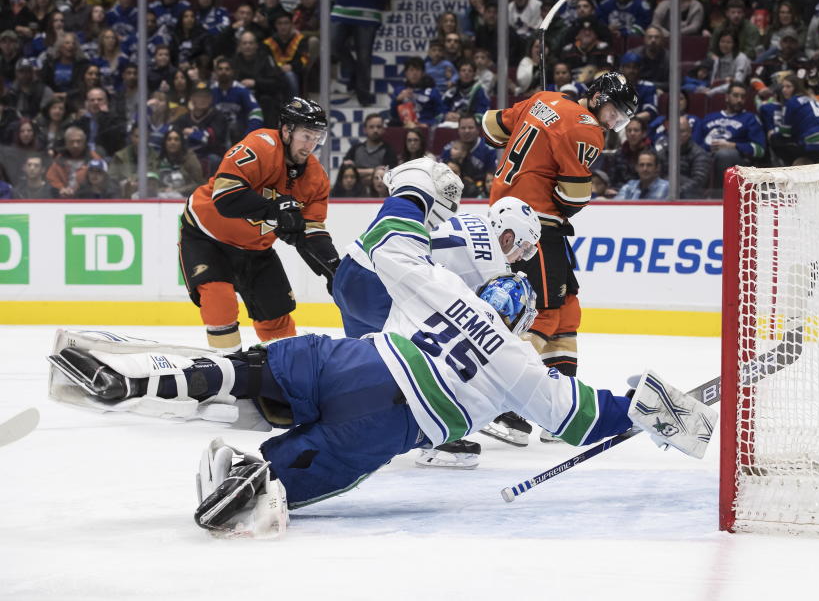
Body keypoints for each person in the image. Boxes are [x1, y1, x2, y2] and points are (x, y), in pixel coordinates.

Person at [49, 175, 716, 537]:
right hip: (385, 428)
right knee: (282, 479)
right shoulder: (518, 363)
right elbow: (580, 417)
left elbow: (391, 236)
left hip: (355, 363)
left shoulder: (448, 289)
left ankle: (138, 380)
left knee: (244, 372)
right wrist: (652, 411)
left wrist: (418, 185)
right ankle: (251, 487)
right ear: (519, 320)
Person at [333, 161, 542, 467]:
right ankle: (437, 437)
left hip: (351, 271)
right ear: (508, 237)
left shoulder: (470, 222)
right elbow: (481, 342)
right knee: (432, 357)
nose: (520, 258)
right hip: (383, 288)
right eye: (523, 249)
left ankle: (340, 422)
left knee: (365, 363)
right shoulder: (495, 266)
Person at [481, 71, 639, 444]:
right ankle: (498, 404)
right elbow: (573, 198)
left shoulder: (542, 99)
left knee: (566, 310)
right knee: (543, 312)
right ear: (598, 98)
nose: (614, 122)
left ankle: (560, 409)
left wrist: (540, 111)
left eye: (622, 117)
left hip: (514, 216)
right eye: (614, 111)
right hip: (533, 224)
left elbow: (490, 127)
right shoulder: (587, 128)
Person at [179, 97, 340, 354]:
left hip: (256, 248)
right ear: (286, 131)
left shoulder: (316, 179)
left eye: (316, 138)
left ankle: (282, 376)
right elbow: (225, 196)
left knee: (276, 315)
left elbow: (311, 231)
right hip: (206, 236)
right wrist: (275, 211)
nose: (310, 145)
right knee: (219, 304)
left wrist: (333, 269)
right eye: (306, 136)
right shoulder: (260, 146)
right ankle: (229, 371)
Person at [331, 0, 395, 107]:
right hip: (340, 11)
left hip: (368, 14)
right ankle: (355, 73)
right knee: (332, 45)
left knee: (364, 57)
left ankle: (363, 95)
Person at [694, 82, 766, 189]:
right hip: (706, 156)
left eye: (743, 97)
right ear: (727, 97)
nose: (739, 100)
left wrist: (734, 146)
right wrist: (709, 148)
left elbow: (760, 150)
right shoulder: (709, 117)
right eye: (735, 95)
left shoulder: (750, 118)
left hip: (736, 161)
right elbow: (695, 144)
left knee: (724, 154)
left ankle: (721, 197)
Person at [766, 74, 819, 165]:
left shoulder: (792, 102)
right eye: (783, 87)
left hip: (812, 142)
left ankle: (793, 167)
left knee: (775, 139)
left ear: (796, 87)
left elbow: (785, 132)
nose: (784, 90)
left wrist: (773, 132)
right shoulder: (813, 99)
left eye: (788, 86)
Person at [210, 56, 265, 144]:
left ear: (232, 72)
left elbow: (256, 112)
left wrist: (249, 134)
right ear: (215, 72)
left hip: (239, 135)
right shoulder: (210, 91)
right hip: (217, 136)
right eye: (220, 69)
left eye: (227, 69)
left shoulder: (242, 90)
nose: (223, 72)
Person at [44, 125, 103, 197]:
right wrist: (61, 189)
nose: (75, 145)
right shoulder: (59, 159)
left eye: (79, 141)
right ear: (66, 143)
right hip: (63, 198)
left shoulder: (94, 158)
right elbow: (51, 178)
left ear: (84, 142)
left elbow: (100, 182)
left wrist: (78, 191)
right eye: (71, 142)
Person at [342, 114, 398, 186]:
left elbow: (388, 175)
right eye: (371, 127)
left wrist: (358, 172)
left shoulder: (389, 151)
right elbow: (345, 172)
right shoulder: (355, 149)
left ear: (383, 130)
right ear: (365, 130)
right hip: (355, 194)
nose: (375, 130)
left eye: (379, 127)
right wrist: (375, 170)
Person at [389, 57, 442, 129]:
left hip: (425, 127)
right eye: (411, 70)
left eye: (417, 70)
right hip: (404, 128)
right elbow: (393, 115)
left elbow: (441, 115)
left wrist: (428, 124)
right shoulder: (399, 91)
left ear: (423, 73)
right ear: (406, 73)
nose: (414, 73)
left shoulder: (433, 92)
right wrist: (398, 100)